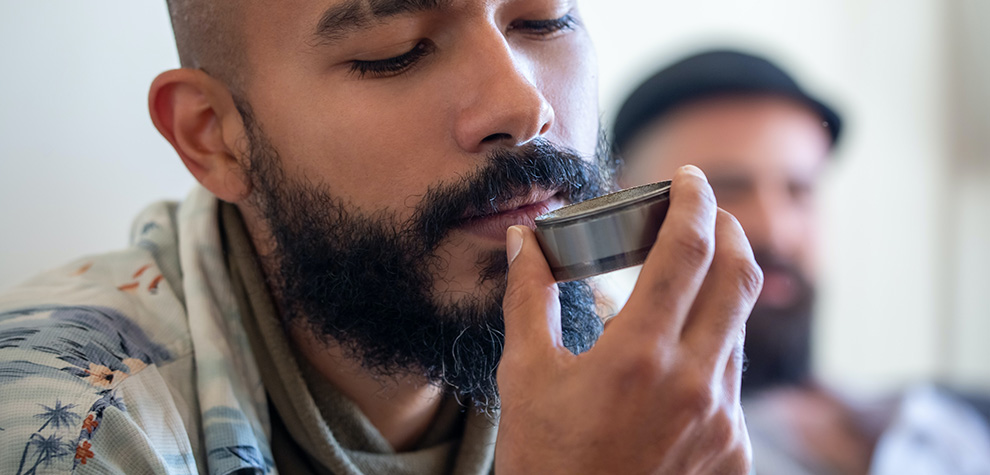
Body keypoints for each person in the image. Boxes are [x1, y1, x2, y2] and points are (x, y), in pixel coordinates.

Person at [0, 3, 762, 474]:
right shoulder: (68, 428)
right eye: (393, 49)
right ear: (216, 139)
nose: (522, 104)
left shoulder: (635, 378)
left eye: (544, 18)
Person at [612, 49, 990, 475]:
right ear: (628, 219)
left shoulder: (950, 418)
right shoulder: (611, 453)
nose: (778, 232)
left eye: (800, 190)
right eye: (726, 189)